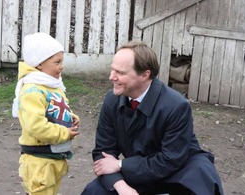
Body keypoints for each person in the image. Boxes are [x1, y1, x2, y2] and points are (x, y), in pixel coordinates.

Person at [81, 41, 224, 195]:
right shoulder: (112, 101)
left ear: (144, 75)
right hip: (139, 170)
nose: (111, 77)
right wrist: (123, 188)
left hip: (179, 171)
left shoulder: (176, 106)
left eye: (120, 73)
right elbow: (103, 155)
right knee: (94, 192)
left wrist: (121, 165)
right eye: (112, 70)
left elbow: (170, 160)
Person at [12, 32, 80, 195]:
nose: (61, 66)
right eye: (57, 62)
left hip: (54, 158)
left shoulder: (52, 85)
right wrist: (64, 132)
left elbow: (58, 108)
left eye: (61, 61)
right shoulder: (32, 91)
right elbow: (36, 127)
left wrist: (71, 118)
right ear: (40, 63)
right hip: (39, 162)